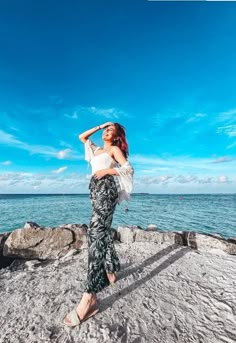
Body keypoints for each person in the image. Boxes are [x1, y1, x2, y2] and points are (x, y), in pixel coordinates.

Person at [63, 122, 134, 327]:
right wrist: (101, 124)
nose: (107, 132)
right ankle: (111, 266)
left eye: (111, 130)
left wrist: (108, 172)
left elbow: (128, 169)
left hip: (107, 188)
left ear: (117, 137)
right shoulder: (97, 148)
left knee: (95, 233)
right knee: (100, 231)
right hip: (95, 190)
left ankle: (90, 296)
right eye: (106, 130)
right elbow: (81, 137)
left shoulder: (114, 149)